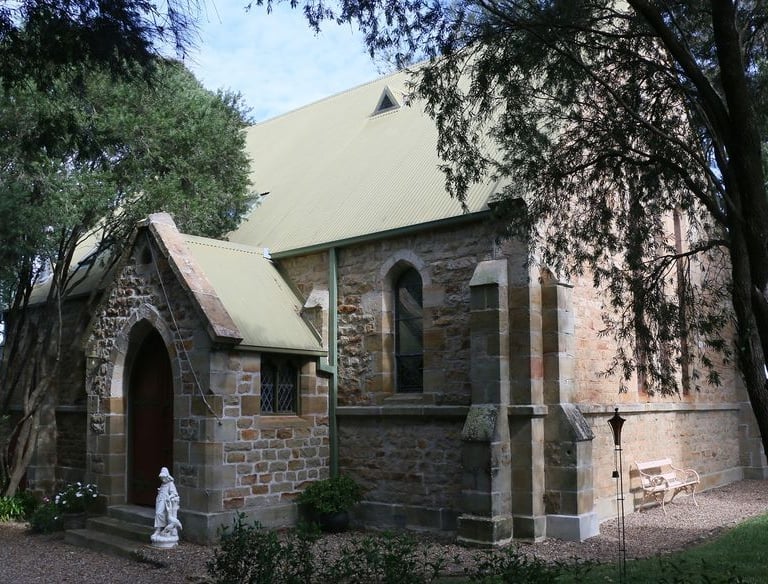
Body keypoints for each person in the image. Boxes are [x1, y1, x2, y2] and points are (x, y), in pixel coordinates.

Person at [153, 467, 182, 540]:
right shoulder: (163, 484)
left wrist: (169, 497)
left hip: (166, 501)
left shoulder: (170, 484)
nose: (162, 479)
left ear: (167, 476)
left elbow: (174, 493)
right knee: (158, 513)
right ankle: (158, 529)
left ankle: (160, 529)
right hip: (160, 500)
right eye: (161, 478)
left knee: (159, 513)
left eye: (164, 477)